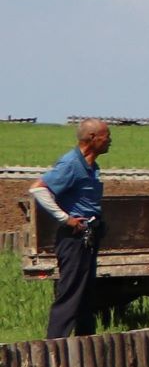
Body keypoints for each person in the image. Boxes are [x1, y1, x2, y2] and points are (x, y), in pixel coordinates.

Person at [27, 118, 111, 341]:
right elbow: (38, 189)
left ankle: (86, 345)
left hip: (88, 235)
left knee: (86, 294)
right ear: (92, 138)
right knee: (71, 293)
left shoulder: (91, 166)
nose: (110, 140)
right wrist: (66, 219)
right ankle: (54, 346)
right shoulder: (71, 164)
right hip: (74, 238)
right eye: (106, 136)